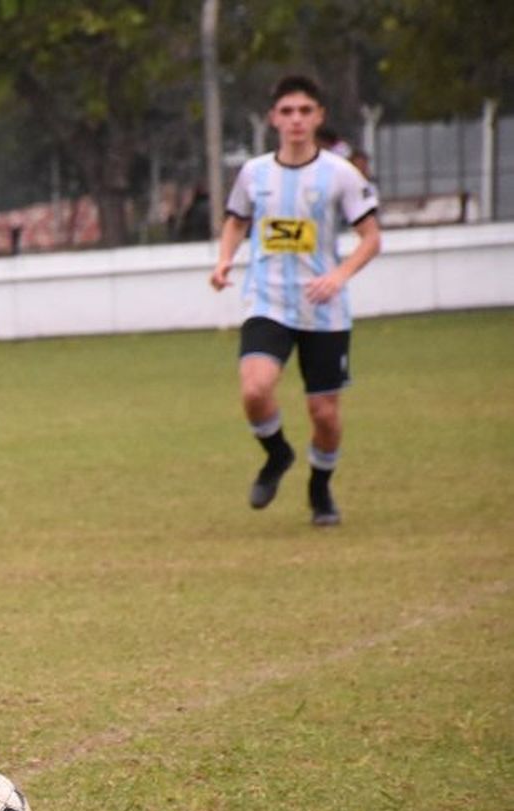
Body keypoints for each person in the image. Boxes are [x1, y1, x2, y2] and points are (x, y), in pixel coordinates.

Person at [211, 75, 381, 526]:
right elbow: (235, 221)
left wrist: (339, 276)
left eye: (305, 111)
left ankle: (320, 488)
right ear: (273, 119)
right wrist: (224, 260)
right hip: (267, 300)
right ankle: (278, 453)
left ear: (319, 117)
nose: (296, 120)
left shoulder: (341, 175)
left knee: (323, 413)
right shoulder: (255, 173)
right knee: (254, 389)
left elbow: (370, 238)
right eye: (287, 112)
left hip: (323, 309)